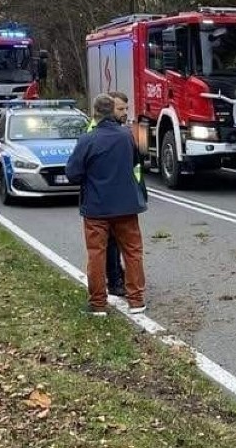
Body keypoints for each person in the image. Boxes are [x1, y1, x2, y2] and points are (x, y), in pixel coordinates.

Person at [66, 92, 147, 316]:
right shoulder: (126, 136)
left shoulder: (87, 139)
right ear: (112, 111)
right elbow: (134, 162)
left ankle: (98, 303)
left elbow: (73, 173)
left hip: (96, 207)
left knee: (96, 254)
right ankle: (137, 300)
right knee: (133, 252)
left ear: (94, 113)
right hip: (127, 206)